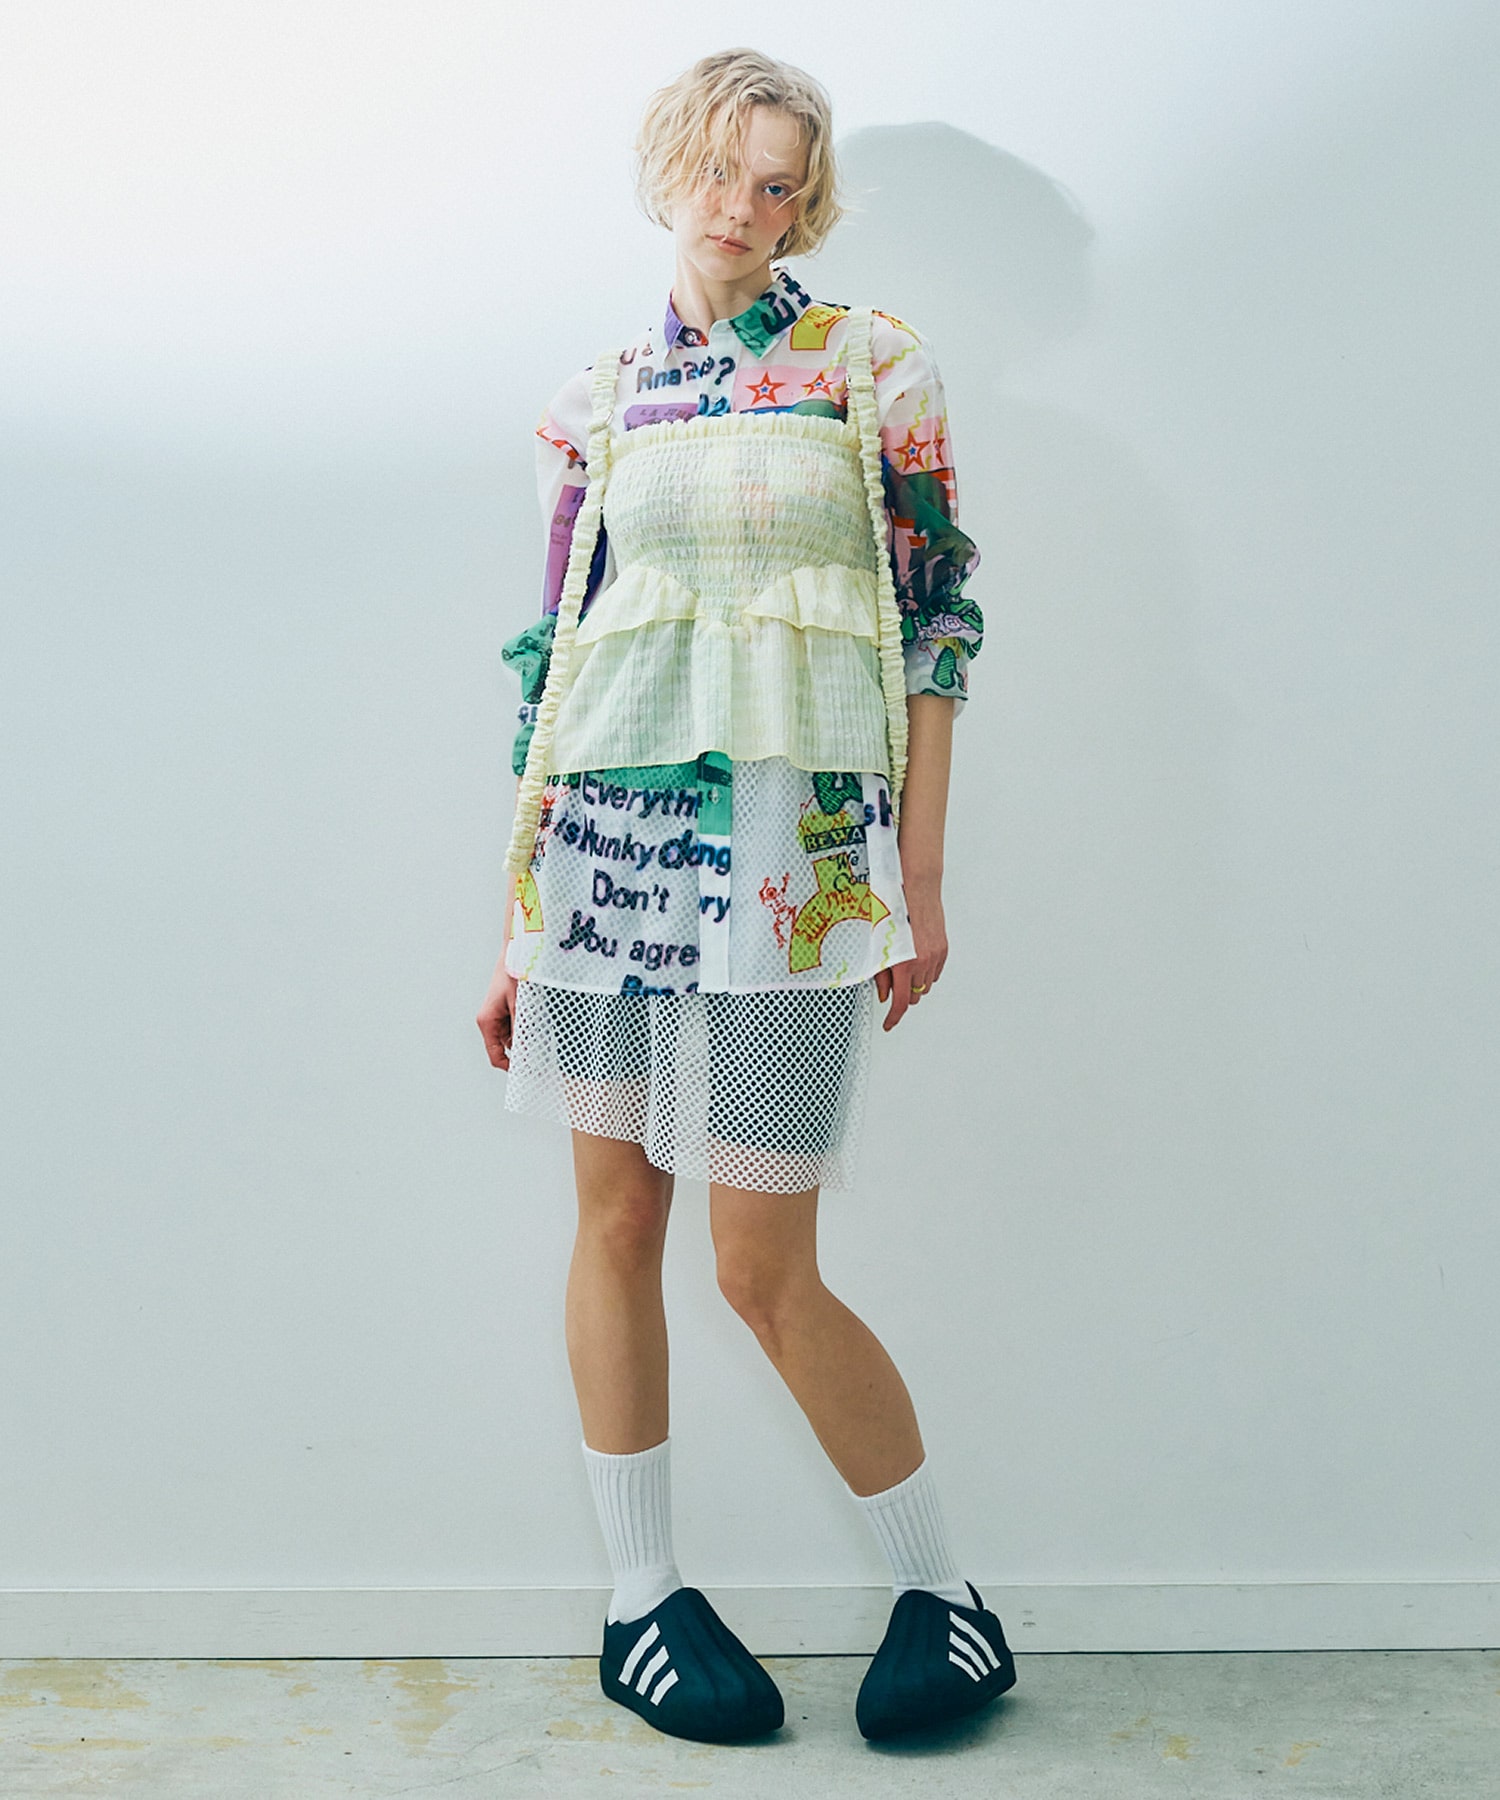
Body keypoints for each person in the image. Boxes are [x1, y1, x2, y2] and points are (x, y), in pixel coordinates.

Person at [475, 47, 1016, 1745]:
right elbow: (558, 669)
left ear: (807, 204)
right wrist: (515, 920)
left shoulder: (875, 368)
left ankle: (948, 1597)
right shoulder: (598, 400)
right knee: (616, 1221)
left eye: (779, 183)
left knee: (759, 1261)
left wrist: (920, 875)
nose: (744, 205)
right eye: (722, 168)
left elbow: (937, 627)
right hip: (607, 857)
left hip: (798, 862)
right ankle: (640, 1599)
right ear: (672, 167)